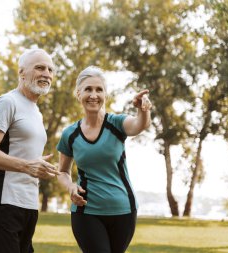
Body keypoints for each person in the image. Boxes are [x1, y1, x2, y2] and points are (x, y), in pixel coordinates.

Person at [56, 66, 152, 253]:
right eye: (88, 89)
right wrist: (70, 187)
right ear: (78, 94)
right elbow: (62, 171)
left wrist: (143, 110)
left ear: (105, 95)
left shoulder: (116, 123)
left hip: (123, 210)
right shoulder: (70, 134)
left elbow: (139, 125)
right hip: (86, 211)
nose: (94, 95)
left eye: (99, 89)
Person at [0, 48, 60, 253]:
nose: (46, 74)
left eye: (50, 69)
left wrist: (40, 166)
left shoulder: (35, 110)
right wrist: (27, 166)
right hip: (5, 201)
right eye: (39, 68)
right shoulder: (7, 102)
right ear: (22, 72)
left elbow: (22, 155)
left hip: (29, 202)